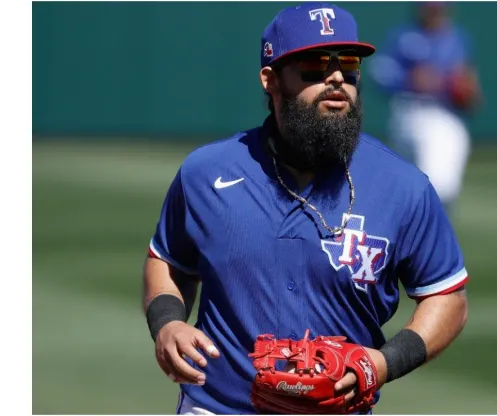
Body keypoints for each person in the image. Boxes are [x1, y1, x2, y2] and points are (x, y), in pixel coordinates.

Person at [142, 2, 469, 414]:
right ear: (271, 80)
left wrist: (385, 361)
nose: (336, 79)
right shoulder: (207, 173)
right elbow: (167, 259)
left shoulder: (404, 186)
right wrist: (167, 322)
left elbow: (447, 297)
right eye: (314, 67)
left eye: (348, 67)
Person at [367, 1, 482, 216]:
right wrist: (408, 79)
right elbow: (379, 73)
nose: (435, 13)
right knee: (412, 187)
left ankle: (429, 237)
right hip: (407, 110)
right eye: (431, 8)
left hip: (443, 115)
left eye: (439, 9)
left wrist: (468, 92)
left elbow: (468, 83)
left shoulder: (457, 39)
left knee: (437, 187)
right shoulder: (404, 36)